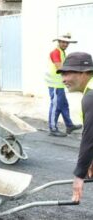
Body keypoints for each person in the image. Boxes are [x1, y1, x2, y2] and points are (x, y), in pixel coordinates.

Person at [57, 52, 93, 202]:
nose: (63, 79)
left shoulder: (91, 96)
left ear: (84, 72)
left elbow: (89, 137)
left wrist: (79, 175)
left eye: (67, 73)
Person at [46, 33, 82, 137]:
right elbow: (60, 68)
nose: (65, 44)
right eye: (63, 42)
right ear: (59, 42)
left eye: (67, 42)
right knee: (55, 106)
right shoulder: (55, 53)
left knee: (64, 105)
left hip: (59, 84)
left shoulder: (62, 52)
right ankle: (53, 128)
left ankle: (69, 125)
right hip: (55, 85)